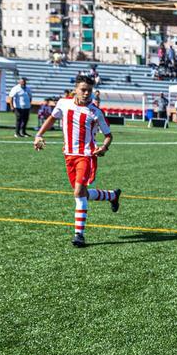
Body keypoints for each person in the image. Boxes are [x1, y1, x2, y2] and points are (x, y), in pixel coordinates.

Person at [32, 75, 122, 248]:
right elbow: (52, 118)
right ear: (75, 89)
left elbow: (108, 136)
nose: (86, 93)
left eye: (89, 90)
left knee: (79, 192)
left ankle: (79, 235)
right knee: (83, 194)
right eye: (83, 89)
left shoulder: (95, 112)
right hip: (68, 155)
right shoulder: (63, 104)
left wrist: (103, 148)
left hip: (86, 156)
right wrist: (38, 135)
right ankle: (112, 195)